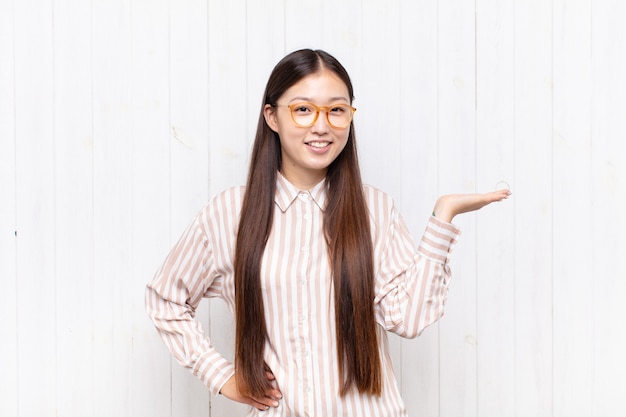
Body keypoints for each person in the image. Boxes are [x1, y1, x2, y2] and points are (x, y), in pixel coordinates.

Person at [145, 48, 510, 416]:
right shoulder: (230, 214)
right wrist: (221, 377)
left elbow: (409, 319)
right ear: (272, 116)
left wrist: (442, 216)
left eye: (337, 110)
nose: (322, 126)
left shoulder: (375, 210)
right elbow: (166, 300)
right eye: (303, 109)